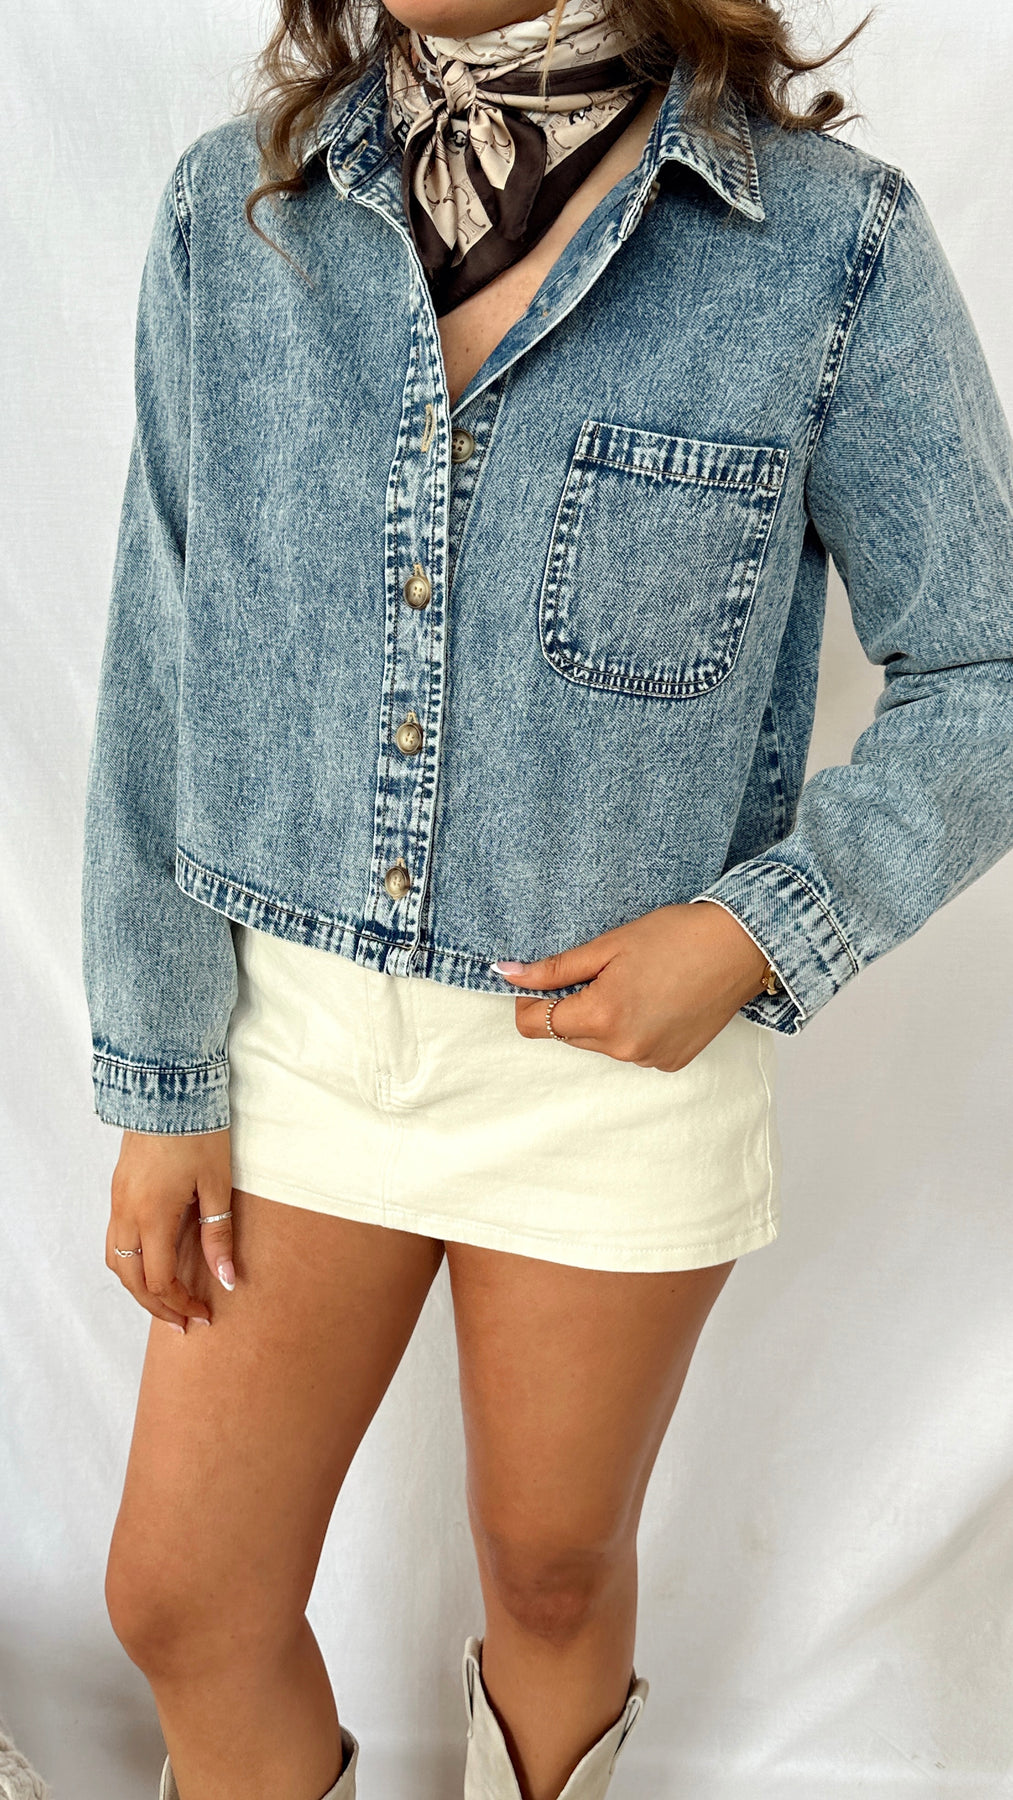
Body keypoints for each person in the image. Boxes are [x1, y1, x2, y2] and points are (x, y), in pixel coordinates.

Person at [79, 0, 1013, 1797]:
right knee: (185, 1598)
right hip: (289, 1034)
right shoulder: (235, 215)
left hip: (610, 1067)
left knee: (552, 1571)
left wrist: (754, 930)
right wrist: (158, 1075)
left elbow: (986, 667)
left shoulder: (826, 246)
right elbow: (163, 666)